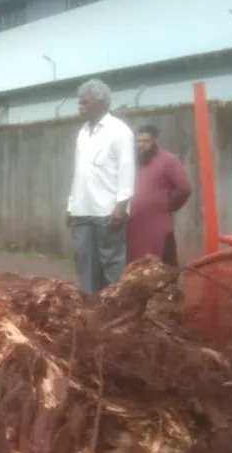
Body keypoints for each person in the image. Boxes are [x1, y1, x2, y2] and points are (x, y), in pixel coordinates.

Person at [65, 78, 135, 294]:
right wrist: (70, 205)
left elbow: (126, 170)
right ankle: (90, 308)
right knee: (84, 262)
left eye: (85, 103)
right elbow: (79, 172)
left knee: (112, 265)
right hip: (81, 211)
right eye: (80, 102)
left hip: (107, 211)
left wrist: (121, 207)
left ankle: (114, 309)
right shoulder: (83, 132)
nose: (80, 107)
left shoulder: (120, 131)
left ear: (101, 103)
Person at [126, 125, 192, 266]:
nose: (141, 145)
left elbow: (184, 188)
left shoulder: (169, 160)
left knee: (163, 267)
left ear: (155, 140)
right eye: (138, 141)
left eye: (145, 141)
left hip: (158, 225)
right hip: (135, 226)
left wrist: (166, 204)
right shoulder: (133, 162)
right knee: (137, 268)